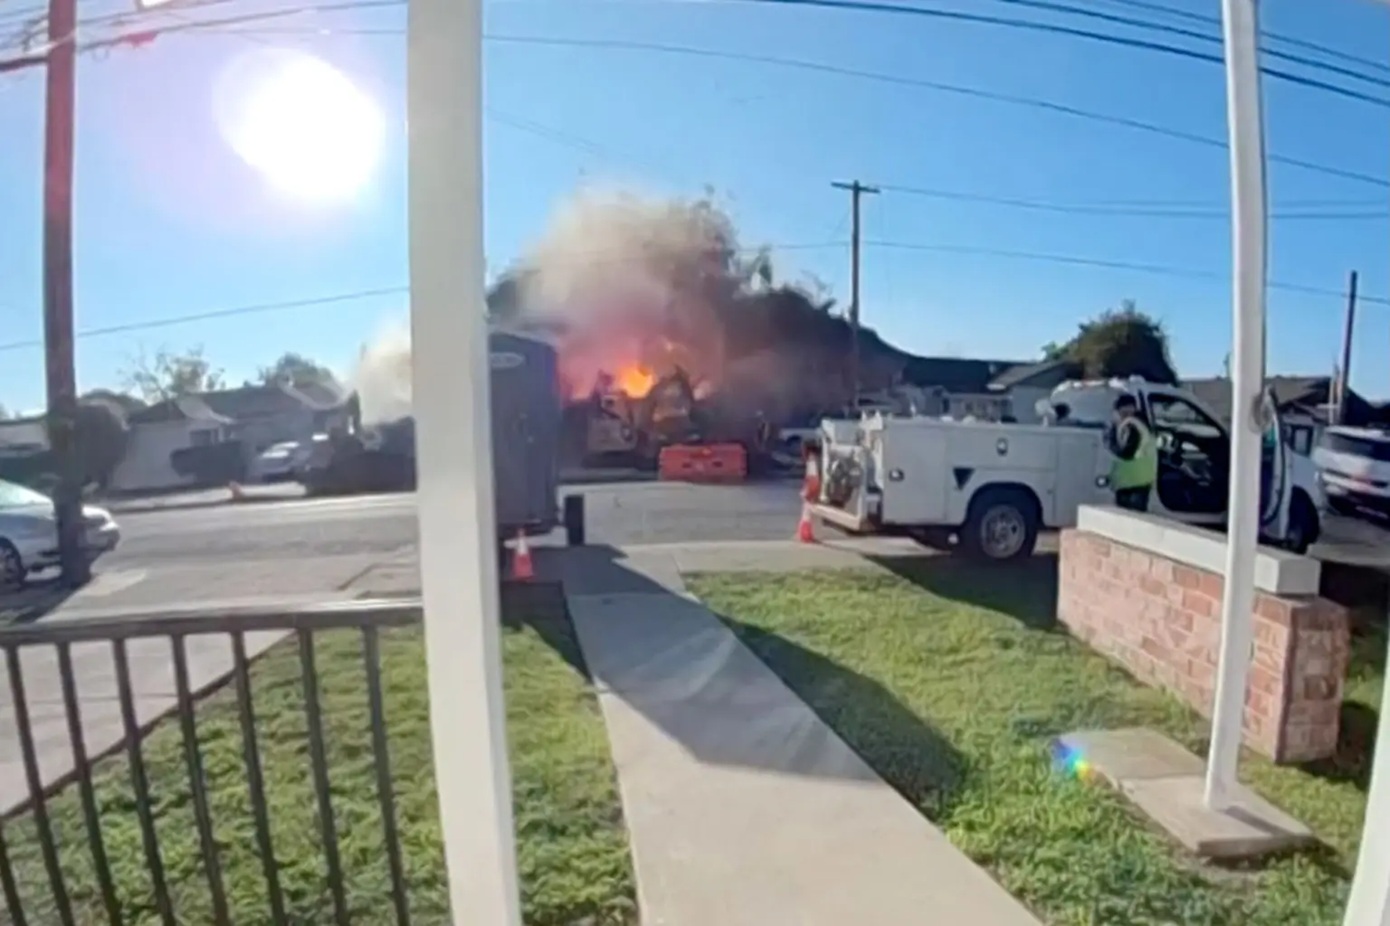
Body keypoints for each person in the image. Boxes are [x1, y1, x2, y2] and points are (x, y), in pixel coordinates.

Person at [1106, 393, 1158, 512]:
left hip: (1132, 480)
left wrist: (1113, 431)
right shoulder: (1140, 422)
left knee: (1129, 516)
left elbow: (1125, 452)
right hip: (1138, 479)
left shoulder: (1132, 425)